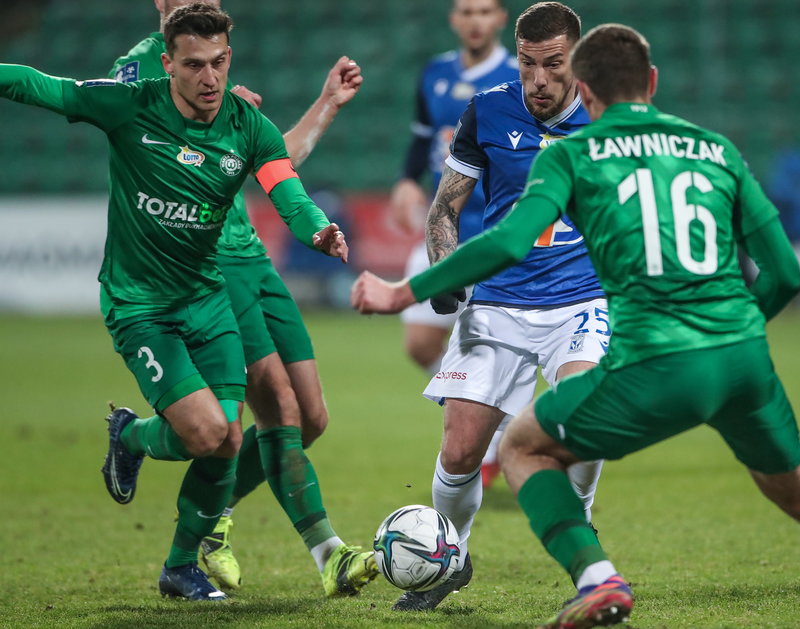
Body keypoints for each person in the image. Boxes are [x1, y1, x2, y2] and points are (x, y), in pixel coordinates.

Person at [351, 22, 800, 629]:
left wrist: (407, 289)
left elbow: (508, 239)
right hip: (739, 353)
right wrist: (740, 327)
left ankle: (594, 574)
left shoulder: (579, 155)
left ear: (584, 84)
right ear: (653, 82)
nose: (539, 79)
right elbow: (786, 273)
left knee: (523, 447)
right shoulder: (715, 147)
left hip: (655, 356)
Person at [0, 3, 376, 602]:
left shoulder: (246, 126)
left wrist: (316, 231)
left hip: (207, 299)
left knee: (228, 436)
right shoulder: (129, 100)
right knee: (209, 434)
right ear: (168, 63)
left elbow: (285, 186)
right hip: (141, 305)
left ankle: (180, 566)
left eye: (220, 63)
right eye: (196, 65)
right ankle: (131, 438)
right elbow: (41, 86)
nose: (210, 78)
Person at [109, 0, 370, 594]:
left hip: (253, 256)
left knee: (310, 418)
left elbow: (273, 163)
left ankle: (210, 508)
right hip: (207, 267)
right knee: (275, 404)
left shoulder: (217, 74)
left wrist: (325, 103)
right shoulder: (146, 73)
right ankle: (327, 553)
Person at [378, 1, 608, 612]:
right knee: (459, 450)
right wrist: (444, 268)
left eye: (553, 65)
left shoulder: (608, 119)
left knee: (578, 423)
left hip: (582, 300)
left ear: (577, 62)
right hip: (500, 299)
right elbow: (444, 208)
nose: (537, 80)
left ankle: (581, 534)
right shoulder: (487, 110)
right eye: (528, 63)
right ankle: (447, 560)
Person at [389, 0, 518, 490]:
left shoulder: (519, 76)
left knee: (481, 343)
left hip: (490, 232)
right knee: (420, 340)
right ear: (454, 19)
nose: (475, 20)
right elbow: (421, 139)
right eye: (466, 11)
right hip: (441, 228)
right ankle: (502, 425)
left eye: (485, 10)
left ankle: (487, 437)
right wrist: (405, 181)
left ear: (501, 18)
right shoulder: (435, 73)